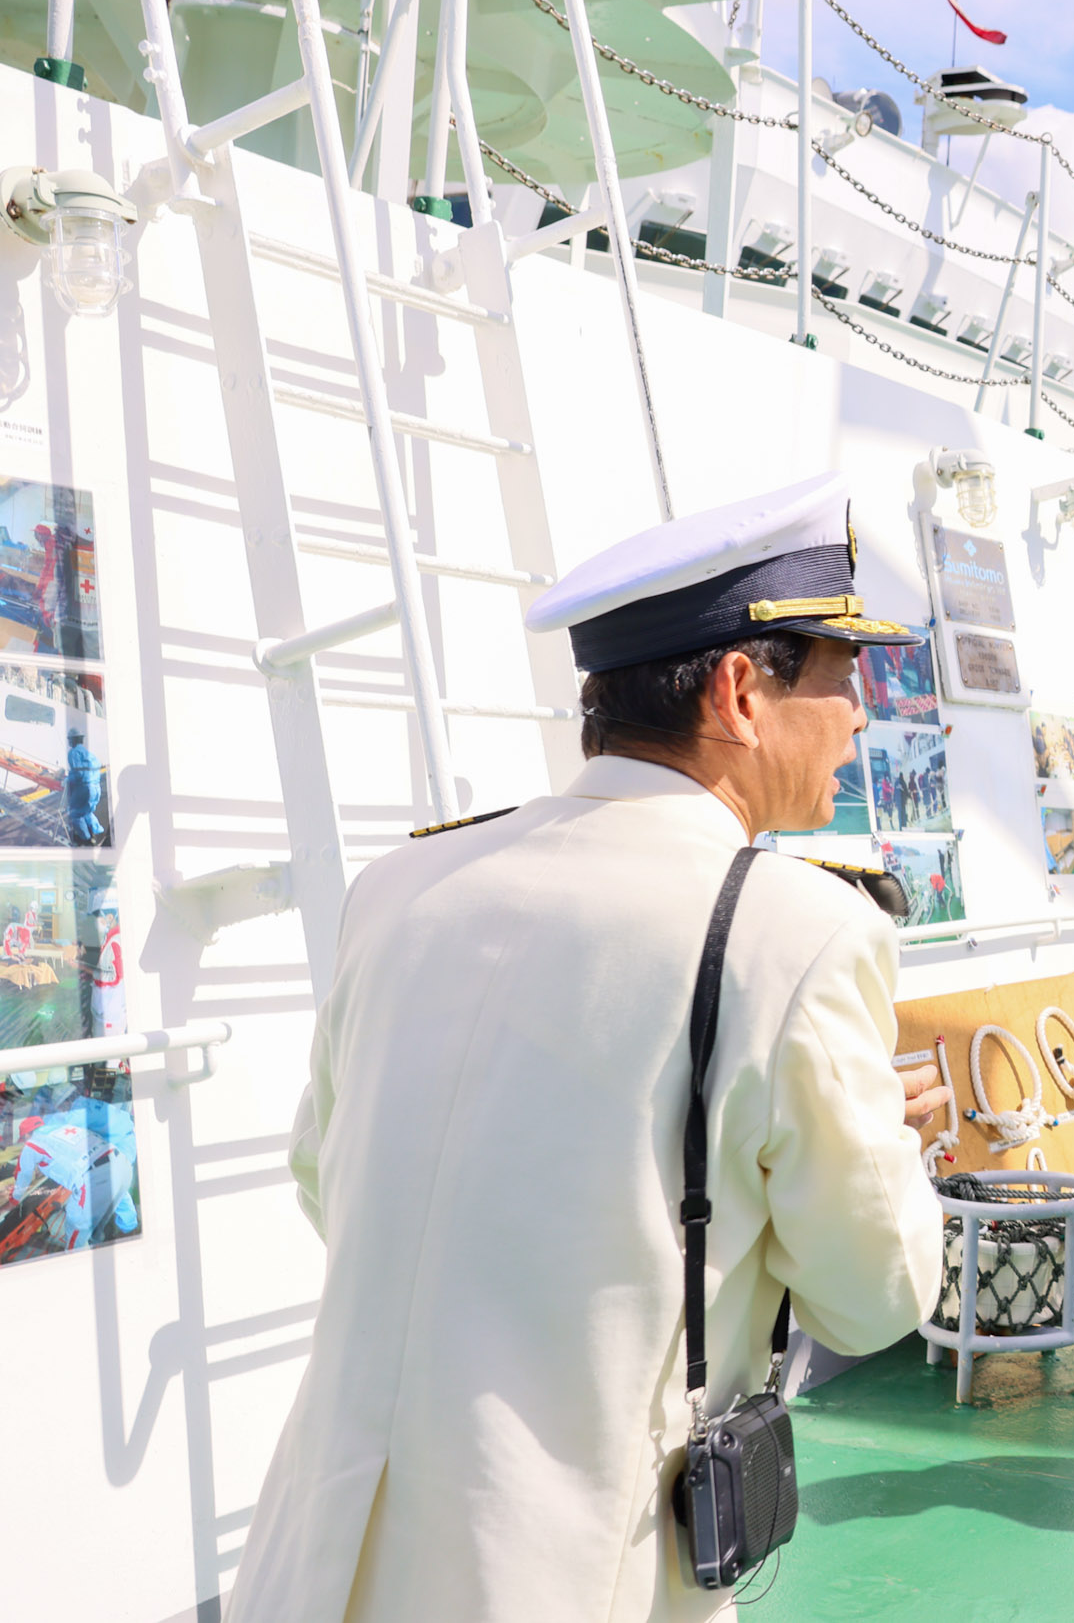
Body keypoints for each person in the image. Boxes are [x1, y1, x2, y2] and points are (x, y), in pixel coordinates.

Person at [229, 476, 950, 1623]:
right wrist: (896, 1155)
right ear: (739, 690)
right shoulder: (799, 932)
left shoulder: (401, 884)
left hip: (314, 1562)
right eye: (841, 674)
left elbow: (330, 1176)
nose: (861, 714)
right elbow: (872, 1300)